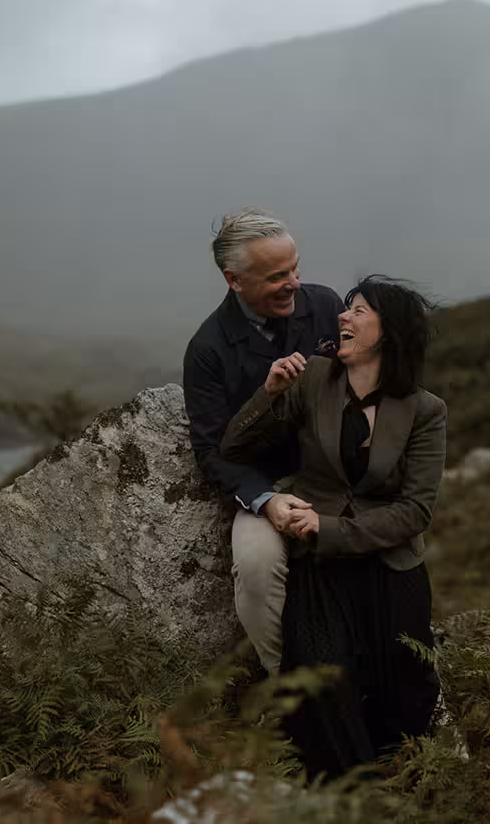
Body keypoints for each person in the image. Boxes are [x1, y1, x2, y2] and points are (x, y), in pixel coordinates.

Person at [221, 276, 445, 777]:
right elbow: (233, 448)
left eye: (359, 310)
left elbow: (415, 512)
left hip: (388, 560)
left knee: (405, 685)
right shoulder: (314, 379)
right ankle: (349, 794)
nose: (343, 317)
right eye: (345, 308)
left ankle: (399, 783)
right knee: (322, 682)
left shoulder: (427, 412)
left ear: (390, 333)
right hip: (318, 563)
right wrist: (269, 392)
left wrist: (331, 528)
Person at [183, 209, 343, 675]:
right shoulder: (208, 350)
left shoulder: (327, 305)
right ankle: (294, 691)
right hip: (267, 485)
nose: (294, 283)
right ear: (234, 280)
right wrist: (266, 501)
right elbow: (211, 454)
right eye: (277, 276)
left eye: (295, 268)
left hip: (337, 476)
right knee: (254, 570)